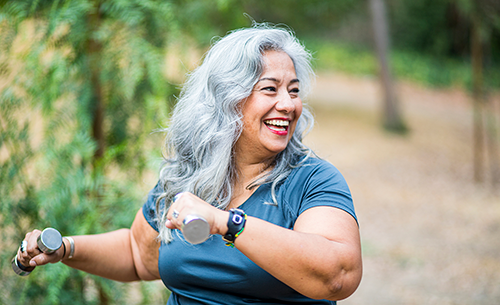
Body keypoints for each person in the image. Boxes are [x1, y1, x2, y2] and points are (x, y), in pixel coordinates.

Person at [17, 23, 362, 304]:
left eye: (294, 90)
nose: (288, 104)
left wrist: (228, 224)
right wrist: (65, 248)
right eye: (270, 89)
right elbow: (138, 253)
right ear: (227, 98)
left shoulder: (313, 181)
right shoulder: (189, 174)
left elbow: (338, 276)